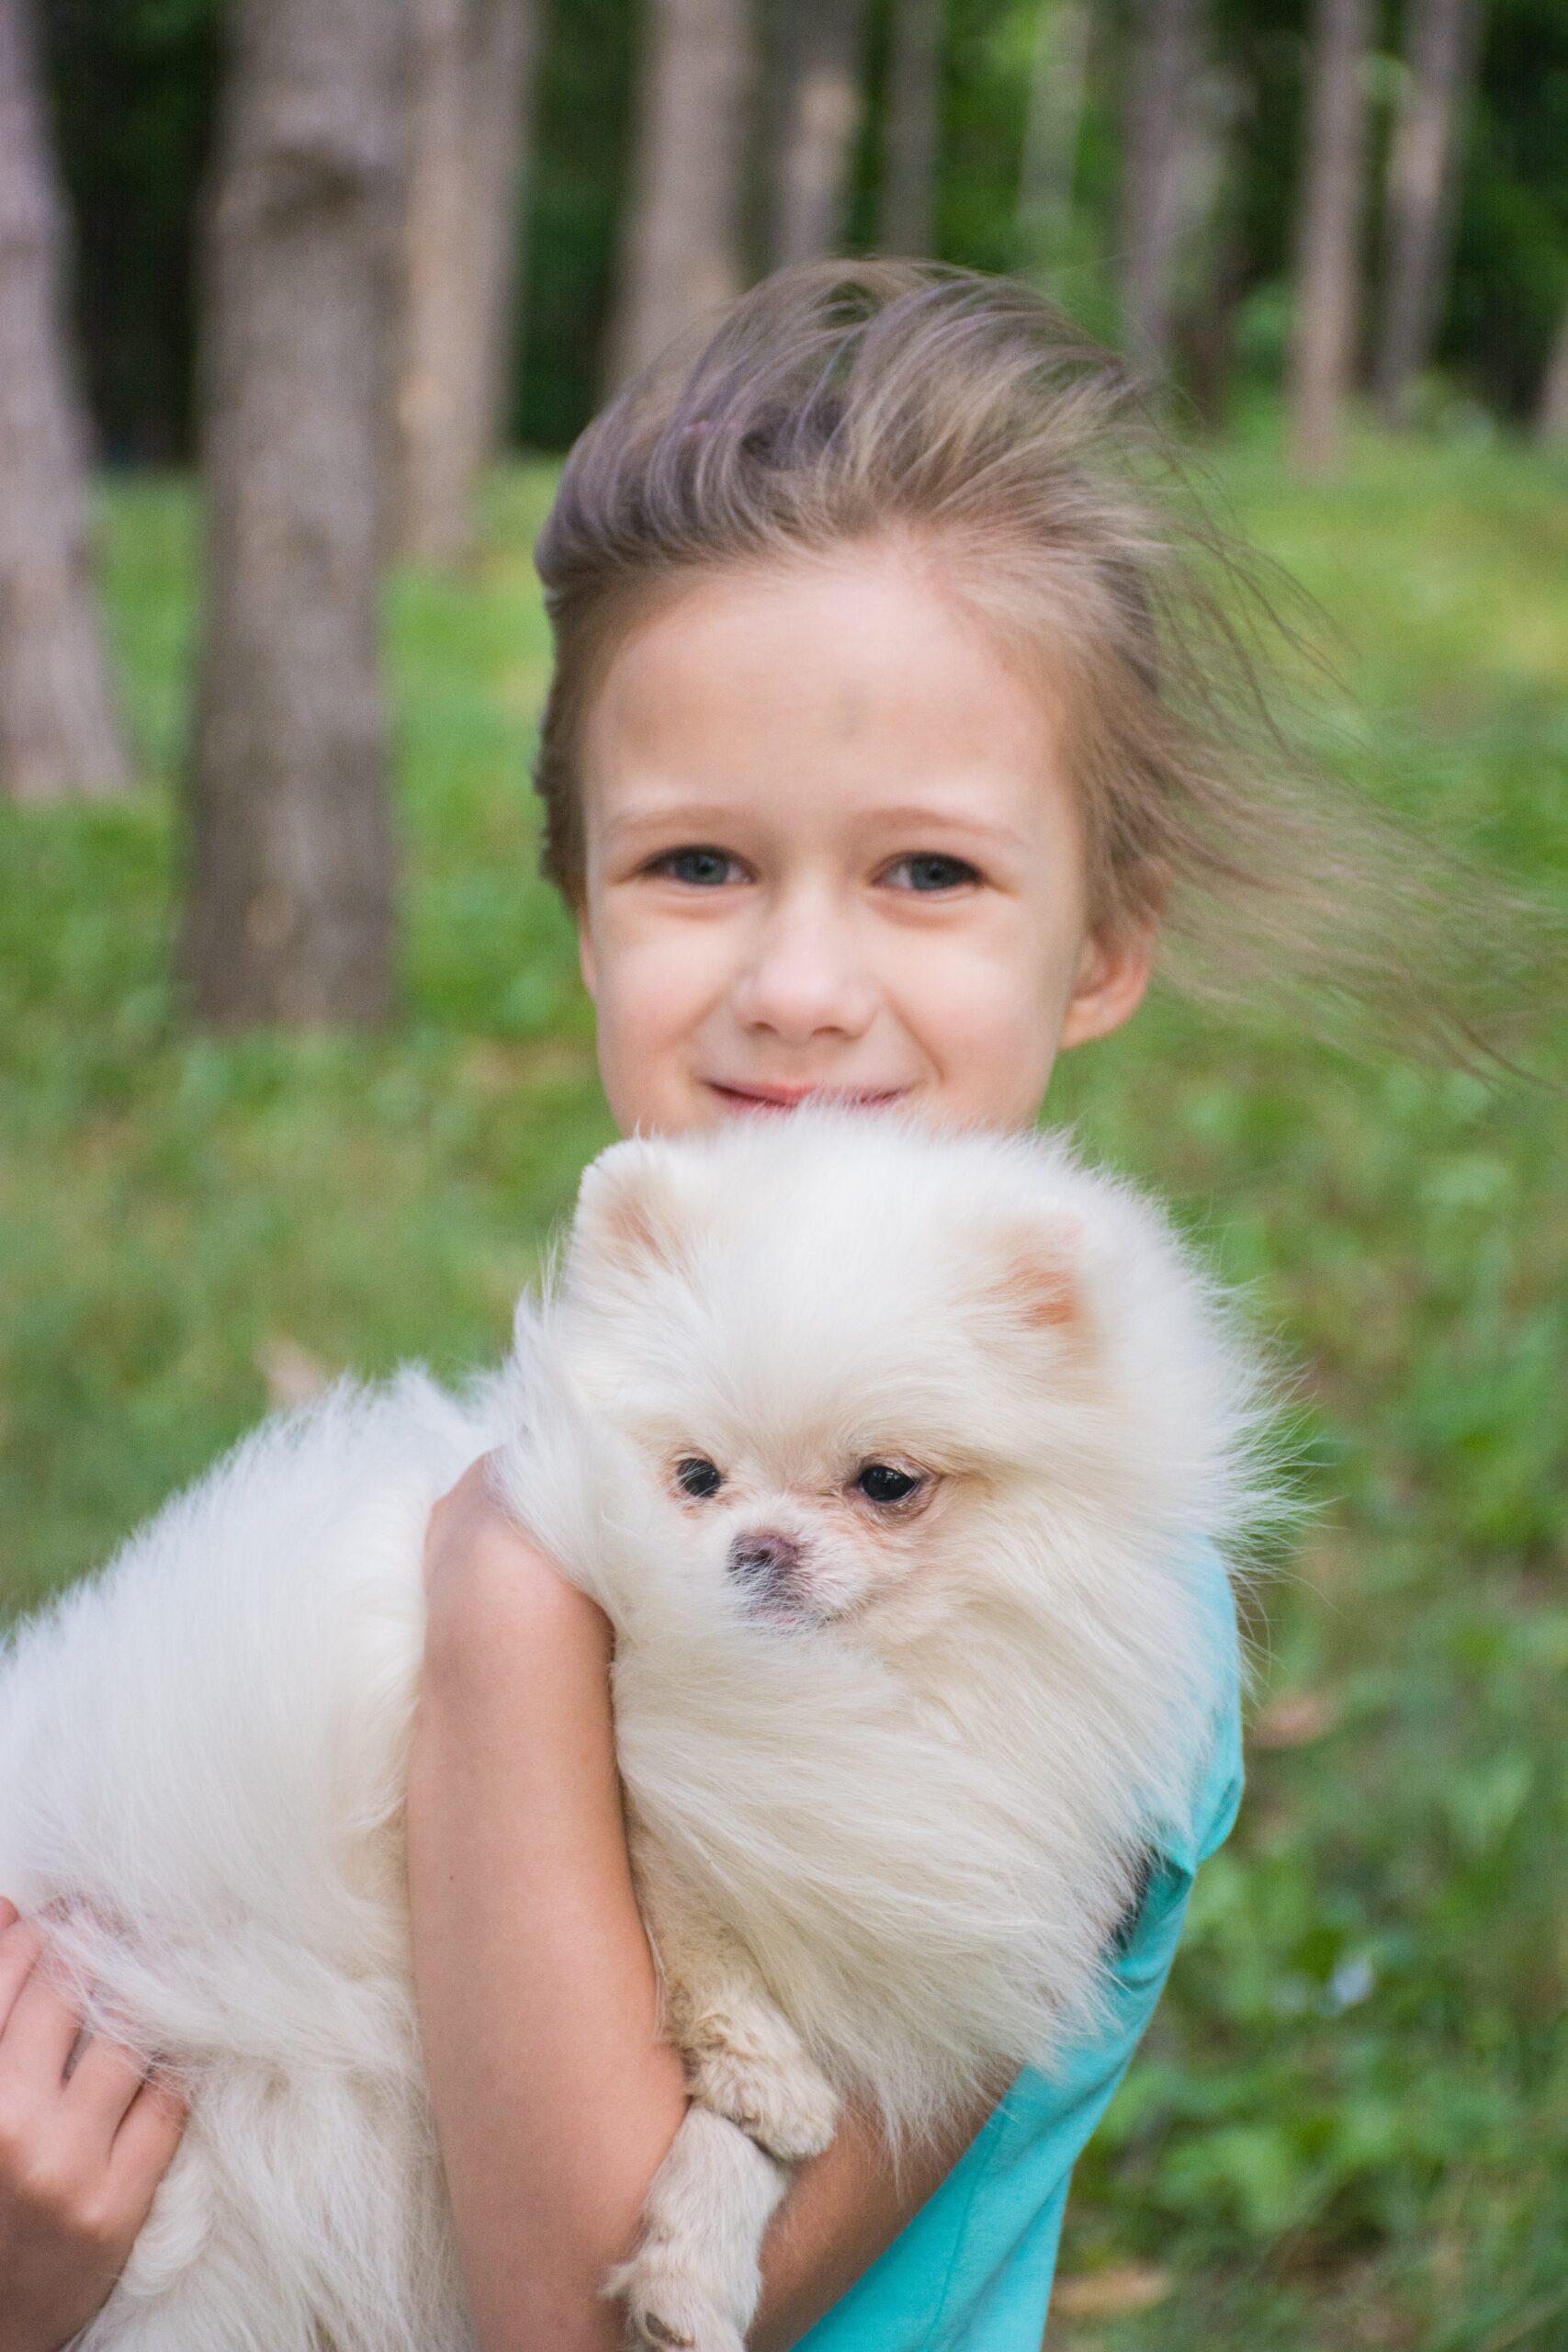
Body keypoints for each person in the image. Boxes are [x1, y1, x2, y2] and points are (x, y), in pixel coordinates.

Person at [0, 259, 1495, 2352]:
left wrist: (511, 1602)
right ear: (580, 901)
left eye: (925, 873)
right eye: (698, 864)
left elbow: (589, 2317)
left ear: (1102, 938)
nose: (797, 982)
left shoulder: (1056, 1602)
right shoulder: (666, 1373)